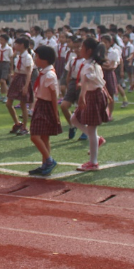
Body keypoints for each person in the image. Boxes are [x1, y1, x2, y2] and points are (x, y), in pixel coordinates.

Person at [70, 37, 110, 171]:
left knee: (92, 129)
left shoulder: (90, 65)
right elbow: (91, 81)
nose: (80, 49)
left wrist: (82, 97)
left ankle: (93, 162)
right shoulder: (91, 63)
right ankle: (97, 140)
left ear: (89, 50)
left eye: (82, 47)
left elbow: (87, 82)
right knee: (74, 119)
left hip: (93, 96)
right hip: (93, 94)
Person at [28, 45, 61, 176]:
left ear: (44, 59)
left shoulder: (49, 75)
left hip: (46, 106)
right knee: (44, 136)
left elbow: (54, 95)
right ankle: (45, 164)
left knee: (35, 135)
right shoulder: (44, 72)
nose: (35, 59)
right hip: (41, 103)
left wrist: (55, 113)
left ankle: (49, 160)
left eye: (37, 57)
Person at [6, 37, 33, 135]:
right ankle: (17, 123)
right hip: (17, 77)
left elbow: (29, 72)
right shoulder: (18, 55)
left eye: (17, 44)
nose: (15, 46)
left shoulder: (27, 56)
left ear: (22, 45)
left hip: (24, 79)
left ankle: (25, 127)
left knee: (23, 104)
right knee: (9, 103)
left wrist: (26, 86)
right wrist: (14, 74)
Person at [0, 34, 12, 103]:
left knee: (3, 80)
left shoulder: (9, 49)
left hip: (5, 63)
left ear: (6, 41)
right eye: (0, 39)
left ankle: (7, 96)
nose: (0, 41)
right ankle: (2, 96)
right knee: (0, 81)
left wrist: (11, 68)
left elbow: (11, 58)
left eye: (2, 40)